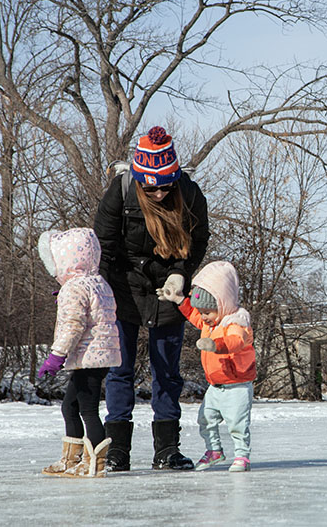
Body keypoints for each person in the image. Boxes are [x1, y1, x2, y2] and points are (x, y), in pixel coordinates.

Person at [94, 126, 210, 471]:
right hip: (124, 286)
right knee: (120, 369)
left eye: (164, 185)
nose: (158, 192)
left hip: (168, 290)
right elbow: (103, 243)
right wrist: (98, 289)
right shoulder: (122, 189)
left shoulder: (188, 193)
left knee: (166, 370)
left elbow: (199, 238)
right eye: (151, 186)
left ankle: (167, 449)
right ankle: (116, 451)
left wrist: (181, 272)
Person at [36, 228, 121, 478]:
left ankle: (94, 461)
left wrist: (56, 355)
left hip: (87, 358)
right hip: (99, 356)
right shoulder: (98, 282)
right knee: (69, 406)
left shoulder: (74, 288)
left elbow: (73, 326)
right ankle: (71, 459)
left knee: (87, 409)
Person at [161, 260, 255, 472]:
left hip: (237, 385)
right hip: (215, 385)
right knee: (205, 419)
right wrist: (178, 299)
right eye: (201, 312)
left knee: (237, 424)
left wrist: (215, 345)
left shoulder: (236, 322)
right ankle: (214, 451)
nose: (203, 317)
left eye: (208, 312)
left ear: (222, 304)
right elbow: (194, 315)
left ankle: (242, 456)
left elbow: (235, 342)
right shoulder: (209, 320)